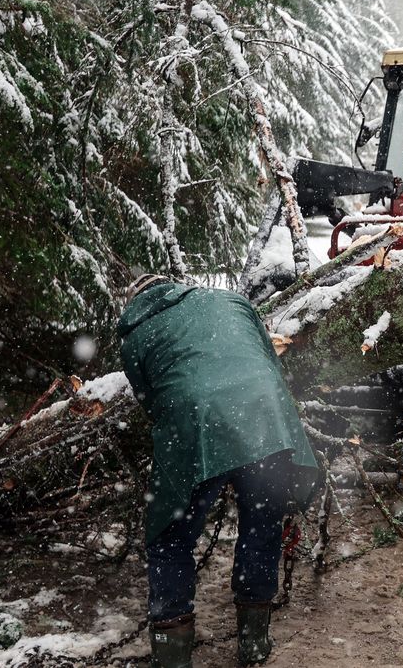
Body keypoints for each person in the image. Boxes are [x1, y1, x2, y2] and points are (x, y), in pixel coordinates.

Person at [119, 274, 320, 668]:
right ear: (177, 285)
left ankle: (173, 653)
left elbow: (151, 405)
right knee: (261, 525)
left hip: (196, 425)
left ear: (135, 303)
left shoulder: (135, 335)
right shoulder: (230, 300)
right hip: (266, 416)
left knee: (169, 539)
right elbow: (267, 357)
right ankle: (254, 643)